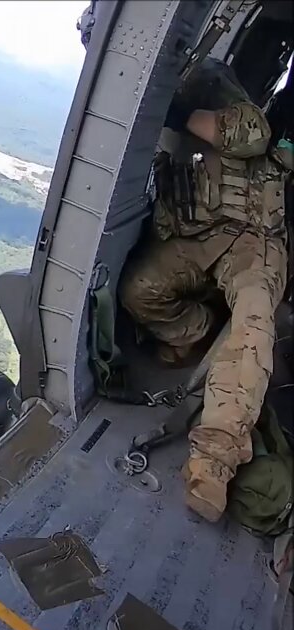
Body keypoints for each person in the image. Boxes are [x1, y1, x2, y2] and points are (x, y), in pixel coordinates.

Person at [118, 60, 290, 522]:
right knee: (139, 290)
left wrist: (171, 109)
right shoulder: (155, 115)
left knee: (254, 323)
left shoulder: (224, 95)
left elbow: (249, 135)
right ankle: (197, 333)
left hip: (257, 240)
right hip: (203, 236)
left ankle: (213, 463)